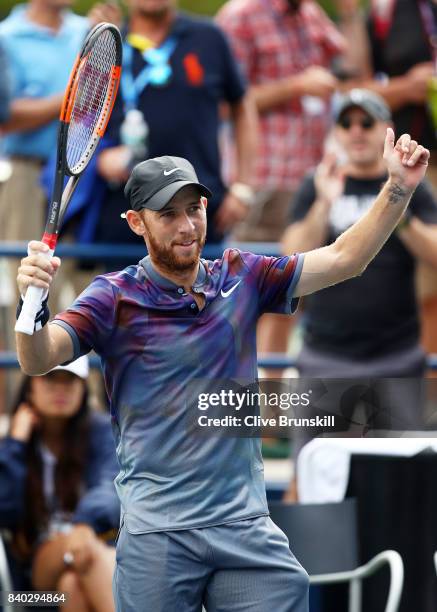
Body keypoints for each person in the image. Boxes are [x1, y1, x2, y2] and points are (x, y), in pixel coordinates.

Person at [15, 132, 430, 610]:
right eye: (168, 214)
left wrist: (398, 187)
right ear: (135, 223)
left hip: (244, 531)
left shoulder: (242, 275)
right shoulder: (112, 298)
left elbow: (344, 258)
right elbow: (38, 358)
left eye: (195, 209)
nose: (187, 225)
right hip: (159, 535)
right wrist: (31, 306)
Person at [281, 89, 437, 486]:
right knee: (311, 474)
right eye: (346, 123)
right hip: (326, 355)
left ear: (385, 130)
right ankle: (309, 550)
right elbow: (289, 258)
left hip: (397, 355)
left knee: (410, 477)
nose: (356, 132)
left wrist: (395, 203)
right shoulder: (319, 182)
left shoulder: (412, 182)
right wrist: (323, 202)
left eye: (366, 123)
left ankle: (403, 551)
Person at [216, 0, 345, 373]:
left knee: (289, 296)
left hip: (310, 181)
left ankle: (268, 418)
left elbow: (353, 66)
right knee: (244, 298)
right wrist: (296, 86)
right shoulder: (240, 15)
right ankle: (236, 409)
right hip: (263, 183)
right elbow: (226, 103)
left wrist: (351, 13)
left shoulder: (310, 14)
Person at [96, 0, 257, 254]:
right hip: (126, 215)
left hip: (198, 210)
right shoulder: (108, 42)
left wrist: (244, 188)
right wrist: (100, 159)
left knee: (200, 293)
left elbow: (242, 105)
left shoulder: (208, 38)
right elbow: (82, 120)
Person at [0, 356, 119, 611]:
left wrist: (85, 523)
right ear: (30, 386)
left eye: (70, 381)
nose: (61, 389)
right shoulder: (13, 446)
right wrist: (16, 445)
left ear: (83, 388)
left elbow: (111, 486)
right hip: (30, 595)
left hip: (88, 566)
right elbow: (4, 508)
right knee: (84, 547)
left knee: (71, 585)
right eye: (50, 379)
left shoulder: (100, 433)